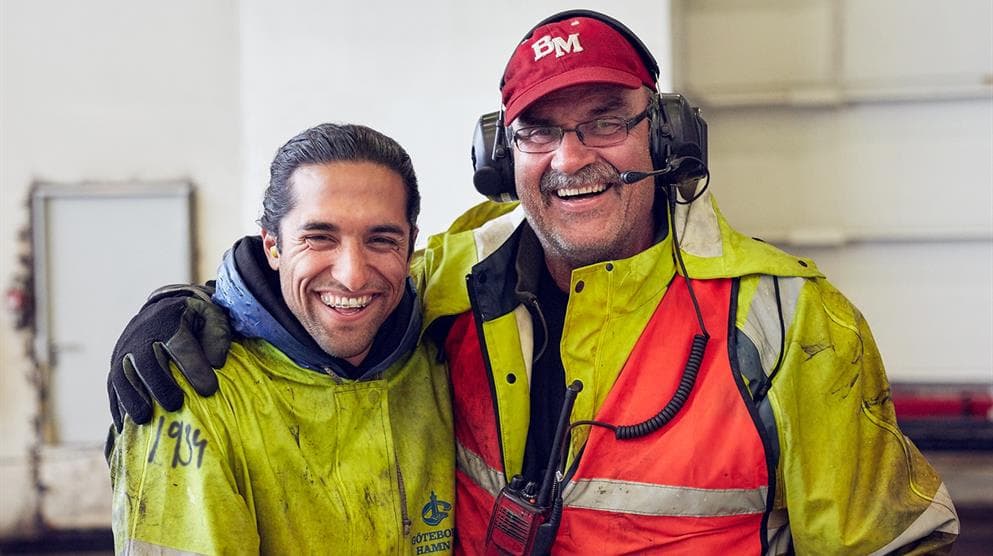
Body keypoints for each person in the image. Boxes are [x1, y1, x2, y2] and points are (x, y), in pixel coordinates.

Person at [108, 10, 959, 554]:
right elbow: (325, 279)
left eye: (605, 122)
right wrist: (187, 305)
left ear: (661, 137)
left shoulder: (788, 322)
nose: (572, 158)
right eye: (540, 131)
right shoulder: (447, 283)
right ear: (499, 157)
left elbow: (892, 546)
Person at [107, 123, 455, 554]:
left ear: (410, 247)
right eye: (318, 238)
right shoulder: (193, 395)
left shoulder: (444, 346)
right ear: (272, 245)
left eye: (381, 240)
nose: (352, 275)